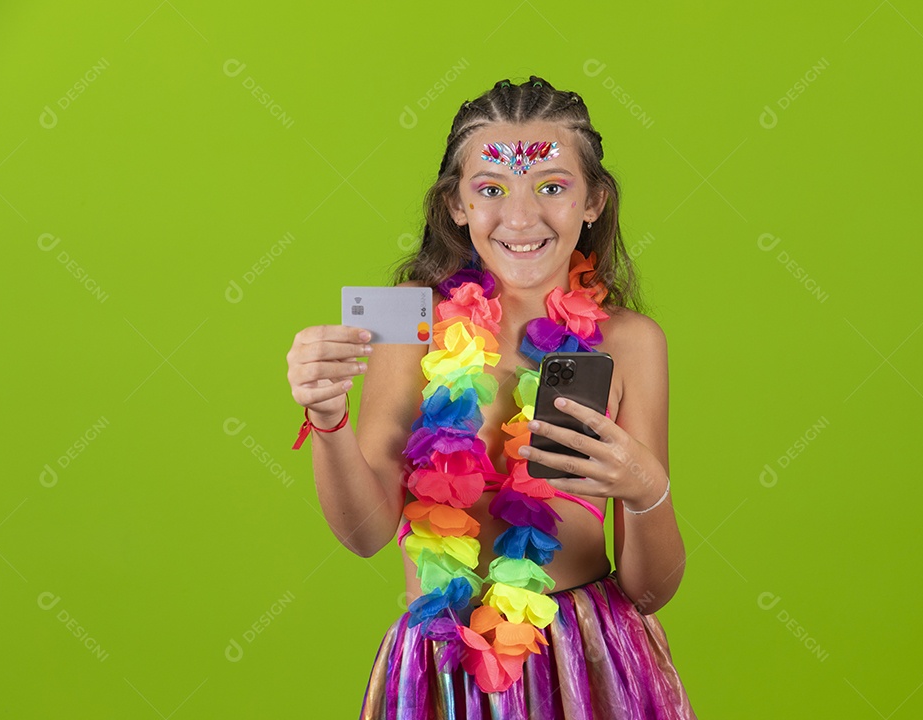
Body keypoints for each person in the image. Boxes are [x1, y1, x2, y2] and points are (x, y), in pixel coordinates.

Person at [286, 76, 696, 718]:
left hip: (585, 662)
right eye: (491, 190)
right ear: (456, 205)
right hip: (440, 668)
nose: (521, 217)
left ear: (594, 201)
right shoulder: (408, 327)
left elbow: (649, 592)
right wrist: (327, 419)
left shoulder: (631, 342)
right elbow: (366, 535)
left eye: (553, 187)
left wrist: (647, 489)